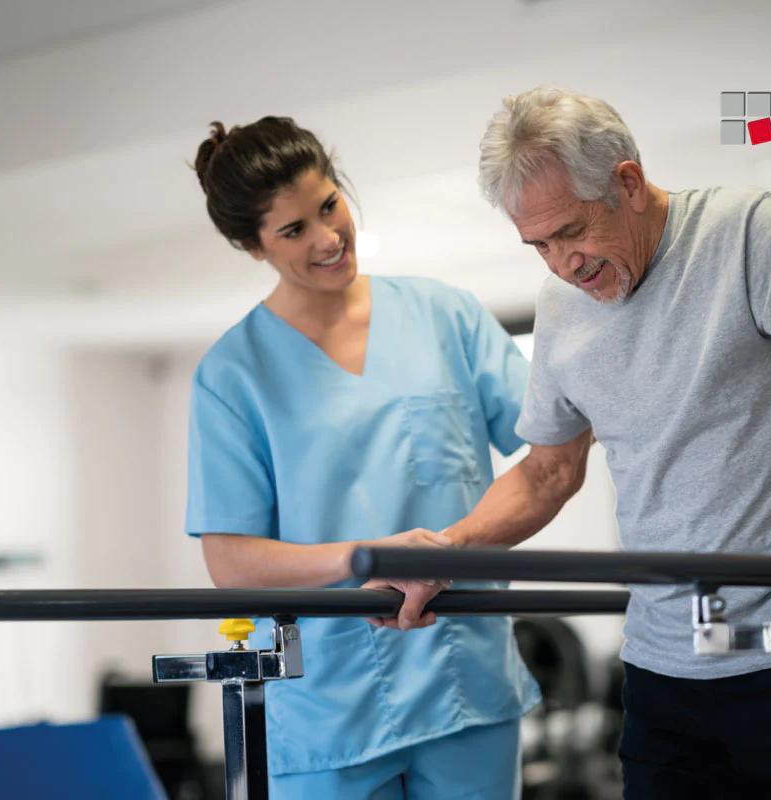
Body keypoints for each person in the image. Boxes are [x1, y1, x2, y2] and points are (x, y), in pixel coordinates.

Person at [377, 88, 771, 798]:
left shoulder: (742, 231)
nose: (562, 264)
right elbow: (548, 472)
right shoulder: (561, 308)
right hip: (664, 672)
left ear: (628, 184)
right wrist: (449, 552)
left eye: (573, 231)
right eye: (539, 244)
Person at [186, 116, 539, 799]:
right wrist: (367, 560)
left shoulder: (445, 316)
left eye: (328, 205)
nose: (327, 238)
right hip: (327, 709)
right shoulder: (233, 374)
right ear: (250, 244)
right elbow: (230, 561)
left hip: (463, 678)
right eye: (293, 230)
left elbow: (550, 452)